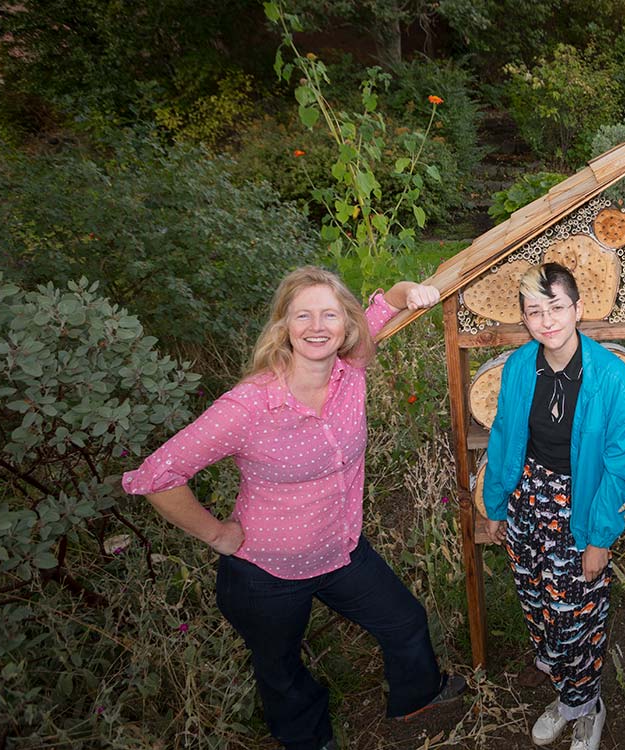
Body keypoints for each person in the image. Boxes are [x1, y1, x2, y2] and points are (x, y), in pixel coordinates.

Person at [122, 266, 465, 750]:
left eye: (329, 314)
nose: (317, 326)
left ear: (347, 326)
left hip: (342, 551)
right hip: (267, 574)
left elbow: (389, 302)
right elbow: (157, 476)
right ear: (283, 325)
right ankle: (309, 739)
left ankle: (417, 697)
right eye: (303, 315)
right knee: (280, 669)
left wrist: (414, 290)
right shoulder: (248, 406)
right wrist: (218, 534)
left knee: (405, 621)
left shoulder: (352, 369)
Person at [482, 262, 625, 750]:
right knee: (538, 604)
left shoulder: (611, 377)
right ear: (525, 319)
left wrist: (599, 539)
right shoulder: (517, 367)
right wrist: (495, 504)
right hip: (528, 502)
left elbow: (624, 465)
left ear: (578, 308)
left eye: (557, 307)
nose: (548, 320)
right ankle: (565, 695)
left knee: (578, 614)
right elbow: (506, 436)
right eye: (535, 311)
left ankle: (588, 706)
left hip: (580, 506)